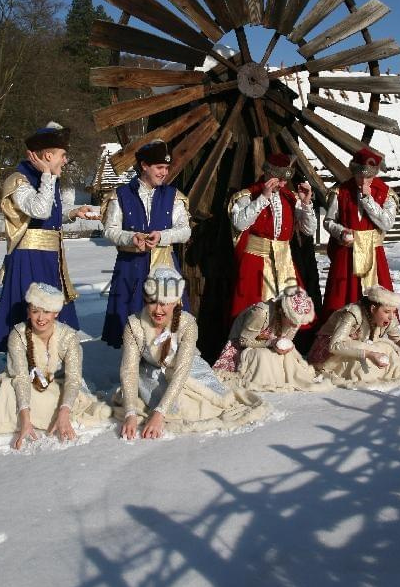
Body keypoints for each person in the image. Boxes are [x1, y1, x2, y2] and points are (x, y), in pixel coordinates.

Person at [114, 267, 268, 438]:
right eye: (152, 302)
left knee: (203, 406)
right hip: (152, 374)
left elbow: (182, 370)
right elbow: (129, 370)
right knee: (174, 409)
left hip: (189, 371)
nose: (158, 310)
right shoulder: (134, 325)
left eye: (164, 303)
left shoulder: (187, 323)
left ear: (176, 302)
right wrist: (130, 413)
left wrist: (159, 413)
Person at [0, 122, 93, 352]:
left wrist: (72, 213)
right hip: (28, 260)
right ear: (47, 155)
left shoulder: (48, 180)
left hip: (49, 260)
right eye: (62, 155)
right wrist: (47, 175)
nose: (65, 160)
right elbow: (39, 210)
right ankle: (22, 367)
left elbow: (48, 217)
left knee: (53, 311)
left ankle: (52, 364)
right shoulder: (19, 180)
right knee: (29, 313)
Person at [0, 283, 111, 448]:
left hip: (59, 387)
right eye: (35, 311)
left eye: (47, 312)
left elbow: (73, 380)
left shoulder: (68, 337)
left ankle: (58, 417)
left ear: (56, 313)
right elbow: (20, 377)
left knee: (63, 402)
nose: (40, 318)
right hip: (27, 386)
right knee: (7, 389)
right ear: (28, 312)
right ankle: (28, 420)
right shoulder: (18, 335)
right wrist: (25, 418)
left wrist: (64, 412)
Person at [101, 139, 191, 349]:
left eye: (167, 168)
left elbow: (185, 231)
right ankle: (133, 369)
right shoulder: (122, 195)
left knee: (168, 320)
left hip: (164, 266)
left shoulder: (173, 196)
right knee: (132, 322)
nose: (164, 173)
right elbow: (109, 230)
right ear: (144, 166)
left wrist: (162, 236)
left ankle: (163, 364)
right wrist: (130, 238)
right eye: (159, 167)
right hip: (131, 267)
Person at [229, 153, 317, 321]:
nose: (283, 183)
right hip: (255, 263)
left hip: (284, 263)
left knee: (290, 315)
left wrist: (305, 203)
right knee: (253, 315)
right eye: (280, 179)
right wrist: (263, 198)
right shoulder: (248, 195)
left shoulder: (290, 198)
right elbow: (239, 224)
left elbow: (309, 229)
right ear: (269, 174)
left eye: (285, 179)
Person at [319, 147, 398, 325]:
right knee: (342, 295)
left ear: (375, 174)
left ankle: (378, 332)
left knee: (376, 294)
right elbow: (328, 221)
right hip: (347, 253)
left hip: (373, 253)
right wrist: (341, 232)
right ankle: (340, 333)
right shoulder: (340, 191)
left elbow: (387, 223)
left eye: (368, 177)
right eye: (360, 176)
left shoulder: (386, 193)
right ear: (353, 172)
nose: (363, 181)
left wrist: (368, 199)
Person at [308, 285, 400, 388]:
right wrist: (370, 354)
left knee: (388, 348)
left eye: (393, 312)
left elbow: (398, 338)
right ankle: (366, 375)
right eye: (386, 312)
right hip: (328, 356)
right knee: (371, 349)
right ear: (373, 309)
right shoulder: (353, 314)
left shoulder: (388, 319)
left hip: (357, 347)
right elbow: (335, 345)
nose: (391, 317)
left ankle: (379, 372)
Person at [214, 288, 327, 393]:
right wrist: (271, 343)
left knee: (287, 357)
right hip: (246, 345)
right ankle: (267, 382)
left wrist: (285, 346)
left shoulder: (295, 319)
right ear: (283, 312)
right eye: (292, 321)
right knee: (263, 356)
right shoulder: (262, 312)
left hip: (269, 343)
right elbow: (244, 340)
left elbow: (286, 339)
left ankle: (284, 379)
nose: (295, 325)